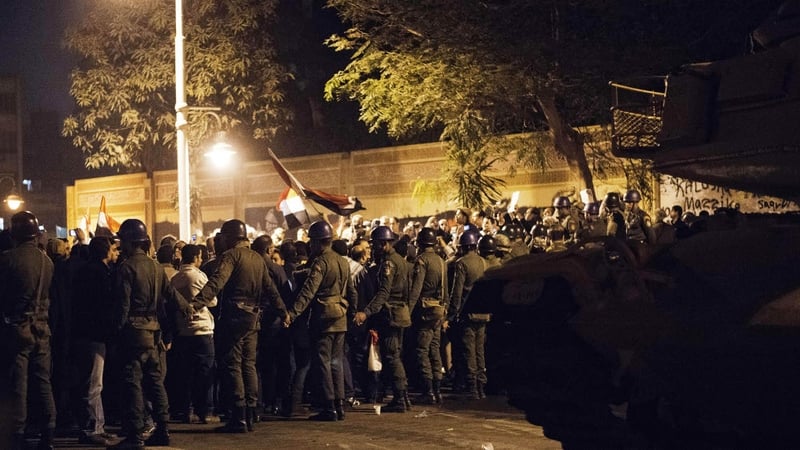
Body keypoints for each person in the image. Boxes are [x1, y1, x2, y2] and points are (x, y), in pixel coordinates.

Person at [193, 219, 288, 433]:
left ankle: (239, 416)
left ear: (229, 238)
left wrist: (195, 304)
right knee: (249, 365)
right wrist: (284, 312)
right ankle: (251, 412)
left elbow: (217, 283)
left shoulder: (231, 256)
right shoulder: (256, 258)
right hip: (254, 318)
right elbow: (271, 290)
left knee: (233, 365)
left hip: (234, 318)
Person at [109, 218, 193, 449]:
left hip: (133, 334)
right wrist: (187, 308)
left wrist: (115, 332)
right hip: (154, 332)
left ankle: (135, 436)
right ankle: (163, 430)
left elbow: (122, 307)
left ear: (128, 241)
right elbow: (172, 295)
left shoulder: (127, 268)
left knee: (132, 383)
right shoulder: (155, 266)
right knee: (156, 383)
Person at [286, 221, 357, 421]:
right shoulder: (343, 261)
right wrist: (353, 312)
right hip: (341, 317)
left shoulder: (320, 262)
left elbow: (308, 292)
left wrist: (293, 313)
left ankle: (329, 406)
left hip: (324, 318)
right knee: (337, 361)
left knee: (324, 362)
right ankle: (340, 404)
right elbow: (351, 291)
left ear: (317, 242)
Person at [0, 211, 57, 450]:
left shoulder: (7, 259)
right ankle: (48, 433)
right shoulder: (47, 261)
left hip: (18, 329)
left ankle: (17, 435)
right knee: (43, 383)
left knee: (17, 386)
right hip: (42, 329)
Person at [354, 226, 412, 413]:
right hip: (400, 312)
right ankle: (403, 397)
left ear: (384, 244)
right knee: (397, 356)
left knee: (391, 357)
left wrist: (367, 312)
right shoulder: (400, 261)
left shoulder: (388, 264)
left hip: (391, 314)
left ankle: (399, 398)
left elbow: (384, 293)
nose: (374, 248)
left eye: (376, 244)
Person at [70, 236, 119, 447]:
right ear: (104, 251)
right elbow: (102, 305)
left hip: (87, 333)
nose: (114, 251)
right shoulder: (98, 273)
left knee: (94, 382)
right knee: (92, 383)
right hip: (93, 335)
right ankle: (91, 429)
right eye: (111, 248)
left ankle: (97, 426)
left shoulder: (87, 271)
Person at [169, 244, 217, 425]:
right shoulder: (198, 276)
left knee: (185, 374)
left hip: (183, 330)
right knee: (205, 373)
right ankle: (205, 411)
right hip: (202, 330)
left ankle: (186, 410)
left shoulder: (175, 278)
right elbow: (212, 300)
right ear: (196, 257)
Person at [445, 229, 488, 400]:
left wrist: (451, 315)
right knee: (480, 351)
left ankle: (472, 387)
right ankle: (481, 384)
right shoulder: (483, 262)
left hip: (468, 313)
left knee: (469, 350)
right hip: (483, 312)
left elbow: (457, 293)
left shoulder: (462, 263)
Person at [408, 227, 448, 405]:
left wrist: (408, 311)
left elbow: (416, 289)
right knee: (435, 348)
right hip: (439, 309)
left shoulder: (422, 260)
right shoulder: (441, 261)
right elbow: (446, 289)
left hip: (425, 310)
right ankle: (438, 390)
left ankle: (428, 390)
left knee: (422, 350)